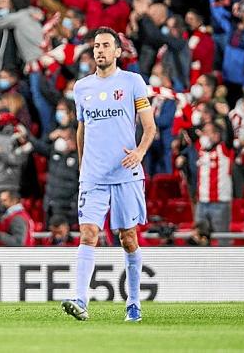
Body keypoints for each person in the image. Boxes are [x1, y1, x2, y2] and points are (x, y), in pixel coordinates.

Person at [61, 27, 156, 323]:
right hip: (93, 176)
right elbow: (81, 128)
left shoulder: (132, 82)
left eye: (106, 45)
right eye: (96, 46)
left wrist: (140, 152)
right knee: (88, 234)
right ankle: (80, 299)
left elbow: (150, 127)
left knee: (128, 238)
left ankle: (134, 303)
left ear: (117, 51)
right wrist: (82, 165)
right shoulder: (82, 87)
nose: (100, 50)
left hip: (126, 175)